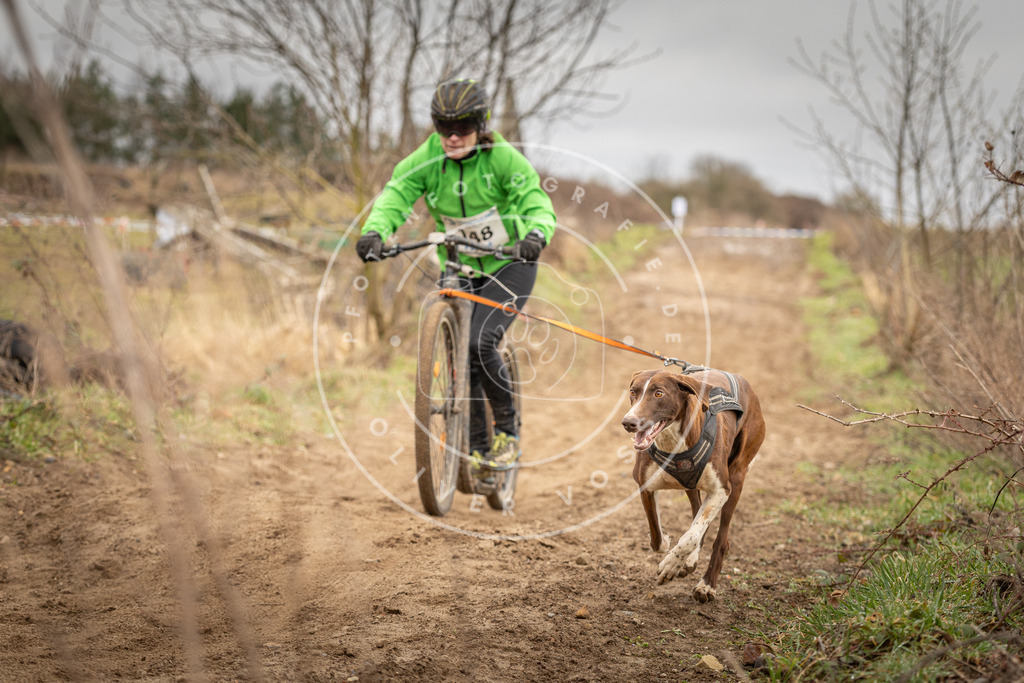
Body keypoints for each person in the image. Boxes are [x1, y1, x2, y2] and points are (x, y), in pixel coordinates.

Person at [356, 77, 556, 476]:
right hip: (459, 262)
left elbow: (535, 200)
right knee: (461, 351)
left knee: (481, 341)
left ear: (480, 125)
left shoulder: (502, 158)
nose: (452, 136)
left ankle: (507, 434)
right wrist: (375, 231)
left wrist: (535, 235)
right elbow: (397, 192)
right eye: (443, 128)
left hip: (509, 263)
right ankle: (477, 452)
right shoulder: (428, 157)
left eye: (462, 127)